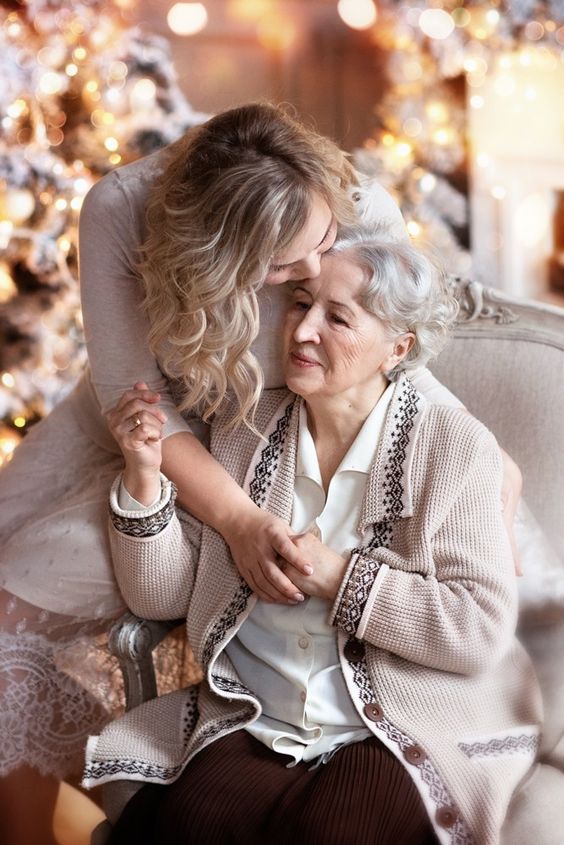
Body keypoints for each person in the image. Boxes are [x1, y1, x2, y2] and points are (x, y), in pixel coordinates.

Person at [0, 103, 519, 843]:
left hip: (299, 415)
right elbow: (136, 409)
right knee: (13, 597)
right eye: (286, 279)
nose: (308, 275)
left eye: (324, 242)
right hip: (159, 426)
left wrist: (470, 456)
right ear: (212, 262)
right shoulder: (120, 213)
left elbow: (385, 326)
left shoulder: (351, 207)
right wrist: (200, 502)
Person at [87, 225, 541, 845]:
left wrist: (342, 579)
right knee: (183, 827)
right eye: (301, 305)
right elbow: (162, 598)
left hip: (399, 723)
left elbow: (478, 630)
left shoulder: (453, 448)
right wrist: (144, 478)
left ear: (396, 347)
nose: (302, 331)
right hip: (258, 718)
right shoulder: (247, 430)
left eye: (339, 318)